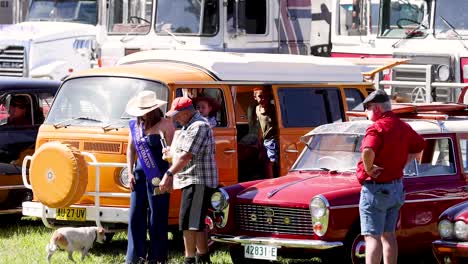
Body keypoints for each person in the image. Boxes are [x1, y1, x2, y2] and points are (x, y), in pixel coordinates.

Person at [356, 90, 425, 264]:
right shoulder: (402, 126)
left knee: (372, 237)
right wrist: (402, 164)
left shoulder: (377, 127)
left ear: (377, 108)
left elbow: (368, 150)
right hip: (396, 187)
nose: (366, 112)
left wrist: (369, 168)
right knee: (389, 235)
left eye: (368, 108)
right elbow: (419, 146)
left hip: (376, 188)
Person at [159, 97, 218, 264]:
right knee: (194, 223)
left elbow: (186, 156)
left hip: (198, 180)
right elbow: (182, 153)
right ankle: (203, 258)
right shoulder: (188, 126)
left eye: (177, 115)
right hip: (192, 179)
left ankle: (189, 259)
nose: (175, 119)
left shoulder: (199, 126)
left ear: (186, 112)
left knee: (188, 223)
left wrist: (168, 174)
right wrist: (170, 153)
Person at [125, 90, 175, 264]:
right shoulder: (135, 126)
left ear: (153, 109)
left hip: (159, 177)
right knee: (135, 216)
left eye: (145, 110)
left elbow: (172, 154)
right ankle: (134, 257)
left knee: (157, 217)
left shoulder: (166, 124)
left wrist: (170, 176)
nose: (142, 114)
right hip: (138, 176)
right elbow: (130, 150)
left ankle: (157, 257)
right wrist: (130, 172)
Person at [253, 86, 278, 179]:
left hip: (273, 139)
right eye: (260, 96)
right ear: (255, 97)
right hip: (265, 140)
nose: (263, 99)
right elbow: (259, 125)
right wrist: (259, 140)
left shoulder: (273, 109)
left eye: (266, 96)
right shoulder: (257, 109)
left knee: (269, 162)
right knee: (264, 161)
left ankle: (271, 182)